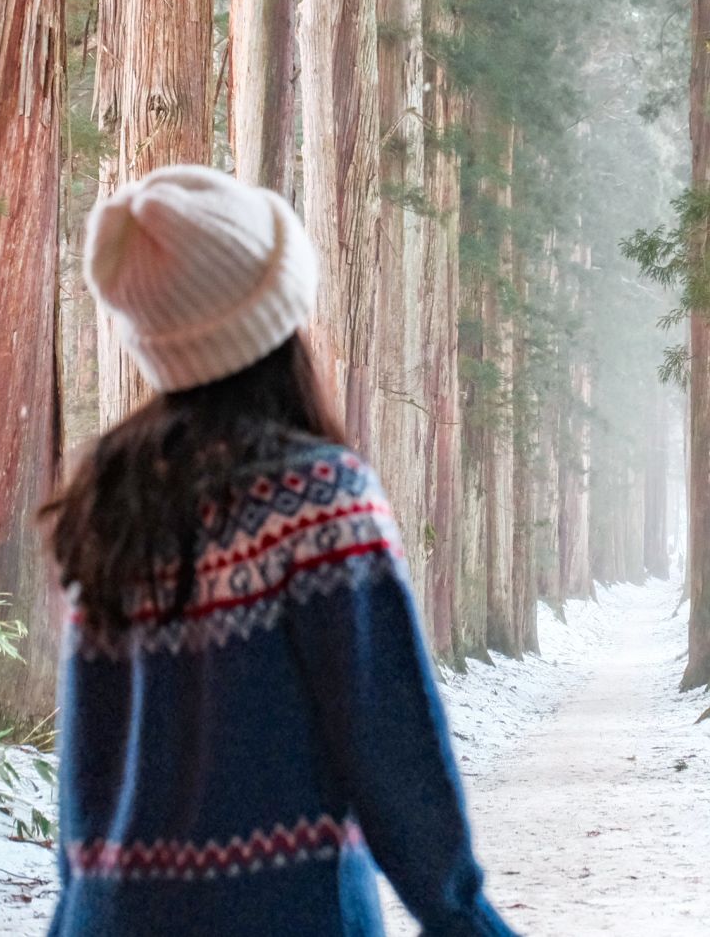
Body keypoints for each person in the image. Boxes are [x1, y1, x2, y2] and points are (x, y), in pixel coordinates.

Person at [44, 164, 521, 937]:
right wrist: (467, 920)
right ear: (277, 321)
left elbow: (86, 777)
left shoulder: (109, 497)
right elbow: (394, 757)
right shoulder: (318, 500)